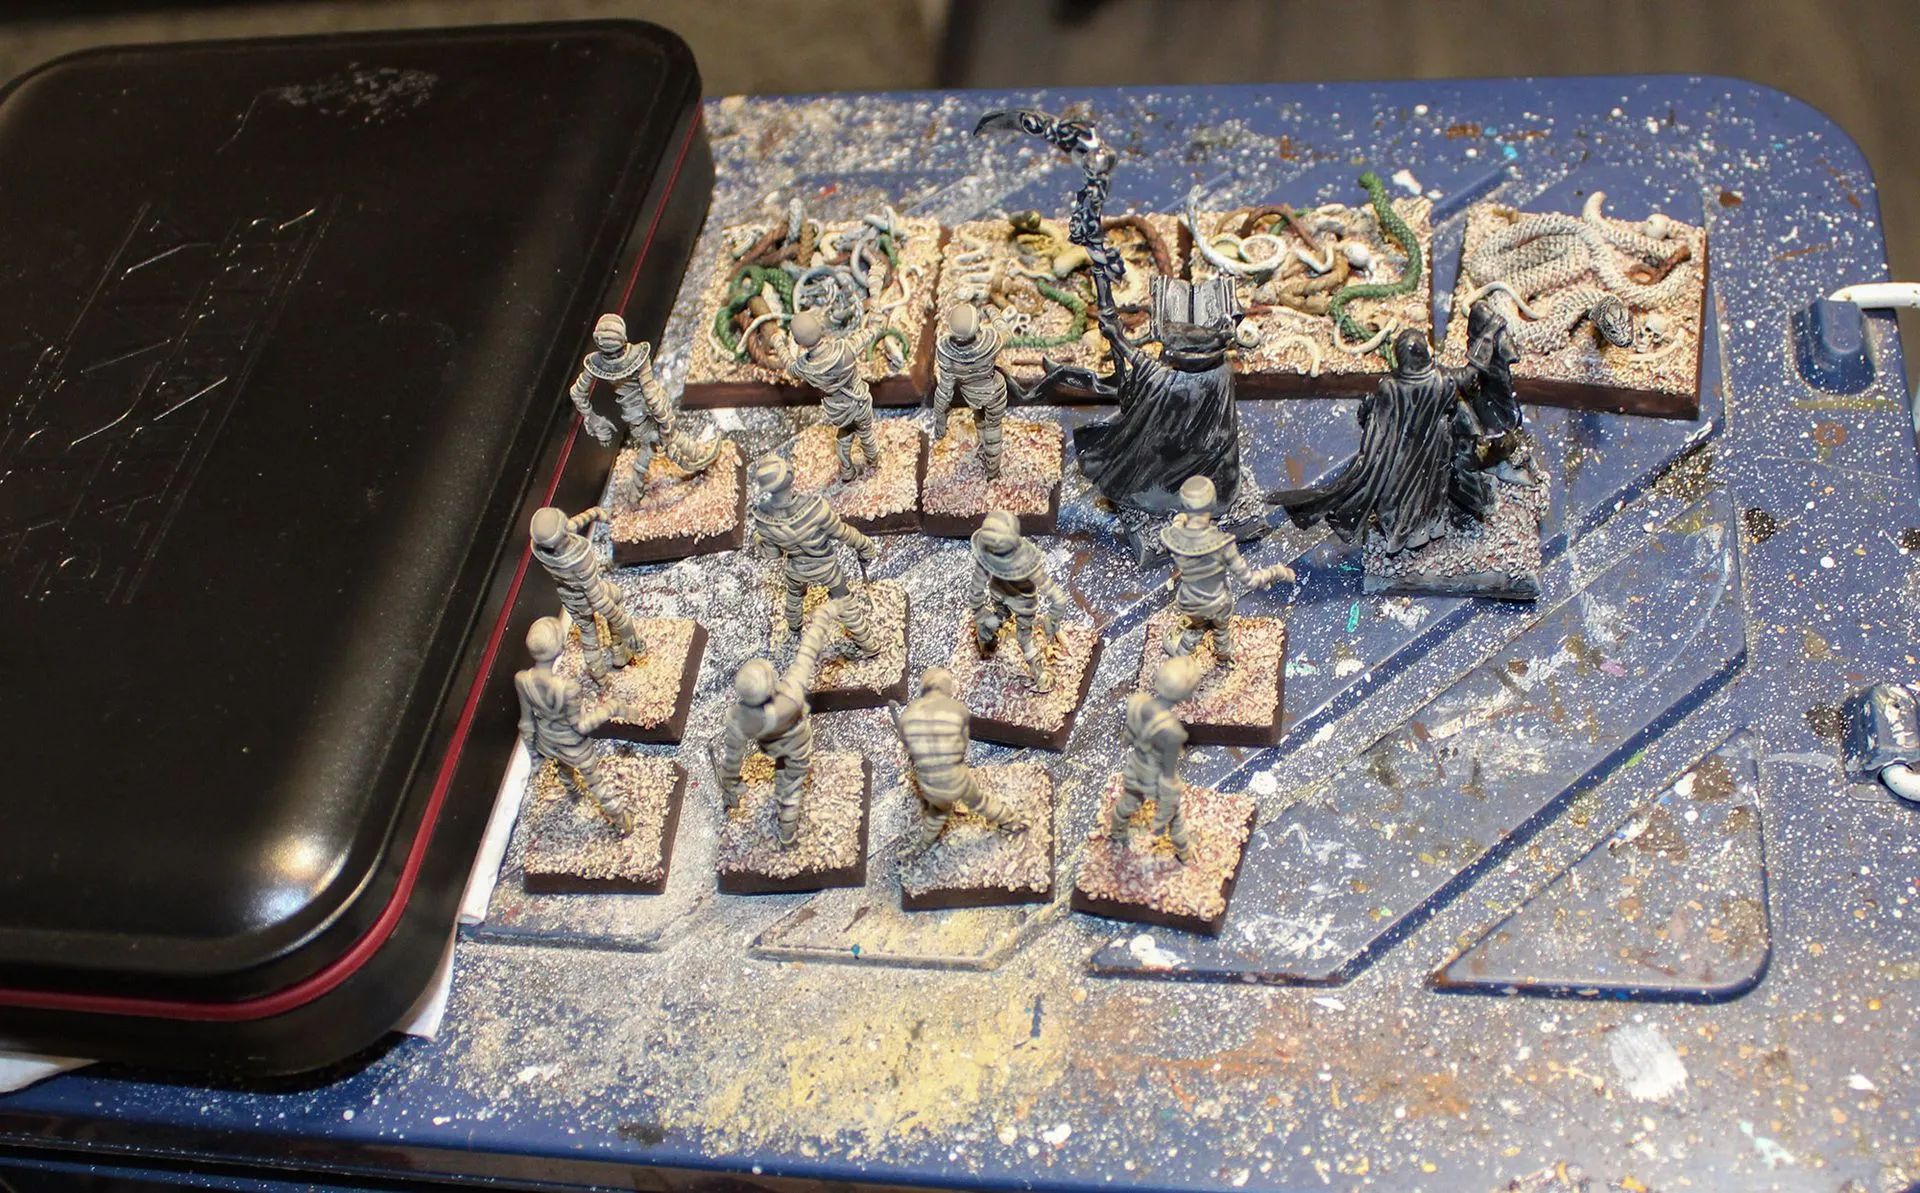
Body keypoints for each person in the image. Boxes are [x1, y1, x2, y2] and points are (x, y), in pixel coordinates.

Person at [1267, 312, 1514, 555]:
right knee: (1425, 491)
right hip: (1431, 449)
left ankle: (1413, 532)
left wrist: (1368, 410)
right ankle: (1416, 532)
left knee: (1405, 494)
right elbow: (1472, 372)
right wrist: (1488, 335)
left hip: (1404, 453)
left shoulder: (1391, 386)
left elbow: (1376, 420)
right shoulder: (1441, 380)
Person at [565, 313, 719, 501]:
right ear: (623, 337)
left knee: (657, 442)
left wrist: (593, 418)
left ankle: (694, 456)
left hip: (635, 414)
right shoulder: (637, 357)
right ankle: (637, 492)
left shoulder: (598, 364)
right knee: (653, 445)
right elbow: (650, 394)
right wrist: (664, 422)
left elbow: (577, 393)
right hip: (644, 412)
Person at [749, 455, 880, 655]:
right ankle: (868, 644)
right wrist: (864, 545)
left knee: (794, 596)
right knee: (844, 601)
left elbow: (773, 554)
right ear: (790, 476)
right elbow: (842, 533)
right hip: (826, 567)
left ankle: (794, 627)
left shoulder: (762, 518)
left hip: (796, 568)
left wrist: (759, 539)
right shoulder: (815, 508)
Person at [1160, 476, 1294, 666]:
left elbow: (1173, 531)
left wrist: (1179, 520)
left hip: (1190, 601)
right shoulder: (1222, 544)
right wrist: (1275, 572)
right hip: (1218, 602)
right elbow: (1249, 580)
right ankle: (1223, 658)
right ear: (1213, 504)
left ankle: (1180, 662)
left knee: (1193, 632)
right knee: (1221, 632)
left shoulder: (1172, 537)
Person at [516, 617, 633, 834]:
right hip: (575, 747)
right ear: (559, 647)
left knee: (563, 766)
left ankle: (571, 789)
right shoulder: (567, 689)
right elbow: (582, 726)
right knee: (597, 786)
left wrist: (535, 756)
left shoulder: (522, 680)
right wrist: (611, 708)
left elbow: (526, 723)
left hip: (547, 742)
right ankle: (622, 821)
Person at [894, 666, 1023, 849]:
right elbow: (962, 745)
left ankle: (925, 843)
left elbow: (910, 750)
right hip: (958, 778)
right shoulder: (957, 710)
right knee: (980, 802)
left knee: (937, 813)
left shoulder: (908, 716)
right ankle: (1010, 821)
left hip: (931, 784)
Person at [529, 505, 643, 678]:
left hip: (568, 598)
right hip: (587, 595)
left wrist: (596, 513)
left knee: (588, 631)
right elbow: (597, 599)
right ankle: (613, 658)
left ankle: (602, 673)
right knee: (592, 632)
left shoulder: (544, 551)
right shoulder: (578, 562)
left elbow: (573, 524)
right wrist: (623, 623)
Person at [1111, 655, 1205, 862]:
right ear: (1185, 693)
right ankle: (1185, 852)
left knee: (1130, 801)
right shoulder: (1171, 732)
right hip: (1155, 776)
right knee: (1174, 815)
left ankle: (1117, 831)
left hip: (1135, 766)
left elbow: (1128, 737)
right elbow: (1168, 771)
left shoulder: (1136, 702)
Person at [969, 511, 1070, 691]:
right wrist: (979, 612)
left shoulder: (1024, 564)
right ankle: (988, 641)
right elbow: (977, 585)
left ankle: (1041, 677)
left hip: (1021, 605)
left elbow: (1058, 599)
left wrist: (1052, 621)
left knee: (1024, 639)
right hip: (1001, 601)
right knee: (996, 624)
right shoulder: (988, 556)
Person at [785, 309, 880, 482]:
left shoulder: (804, 368)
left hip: (839, 410)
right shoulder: (846, 348)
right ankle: (874, 461)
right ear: (820, 328)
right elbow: (871, 333)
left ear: (797, 342)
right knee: (866, 433)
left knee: (844, 437)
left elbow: (789, 368)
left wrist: (778, 344)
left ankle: (847, 471)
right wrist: (875, 316)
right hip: (859, 402)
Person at [930, 303, 1009, 478]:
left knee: (979, 418)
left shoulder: (947, 352)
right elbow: (1006, 333)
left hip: (971, 394)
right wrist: (992, 312)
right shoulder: (990, 341)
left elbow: (944, 390)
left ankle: (985, 450)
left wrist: (940, 418)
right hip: (995, 392)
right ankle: (992, 470)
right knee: (993, 426)